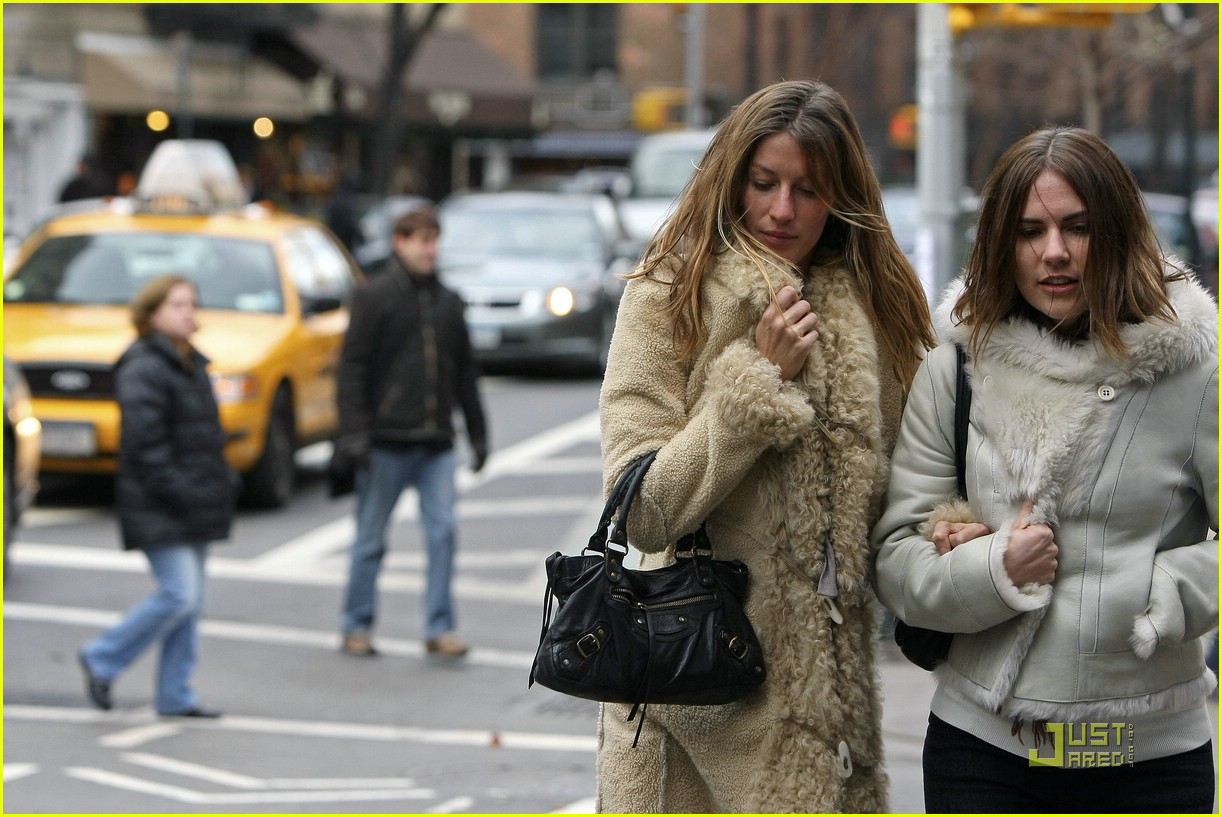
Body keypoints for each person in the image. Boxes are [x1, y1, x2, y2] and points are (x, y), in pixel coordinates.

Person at [597, 79, 935, 812]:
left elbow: (908, 494)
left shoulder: (878, 310)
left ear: (842, 197)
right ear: (732, 178)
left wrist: (947, 525)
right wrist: (753, 388)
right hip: (690, 711)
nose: (782, 209)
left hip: (834, 718)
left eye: (808, 190)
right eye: (764, 183)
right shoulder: (668, 293)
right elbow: (642, 512)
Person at [872, 126, 1218, 813]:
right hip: (986, 753)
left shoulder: (1196, 366)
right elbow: (895, 561)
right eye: (1030, 231)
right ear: (1002, 242)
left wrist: (1170, 590)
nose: (1053, 252)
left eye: (1078, 227)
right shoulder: (958, 365)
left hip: (1153, 756)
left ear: (1117, 231)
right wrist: (995, 567)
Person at [77, 275, 236, 717]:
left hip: (195, 498)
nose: (189, 313)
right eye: (178, 305)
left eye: (192, 305)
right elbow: (144, 448)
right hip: (160, 503)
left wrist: (221, 479)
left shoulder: (191, 362)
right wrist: (187, 490)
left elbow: (203, 434)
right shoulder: (144, 366)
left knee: (191, 604)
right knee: (179, 595)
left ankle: (174, 694)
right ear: (151, 314)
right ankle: (102, 657)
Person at [334, 207, 489, 659]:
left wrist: (477, 434)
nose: (430, 248)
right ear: (399, 243)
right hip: (385, 442)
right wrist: (354, 434)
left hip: (436, 442)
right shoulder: (375, 297)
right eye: (421, 239)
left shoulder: (447, 301)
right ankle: (355, 623)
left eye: (435, 239)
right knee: (369, 540)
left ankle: (440, 628)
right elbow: (352, 369)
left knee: (442, 534)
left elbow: (464, 374)